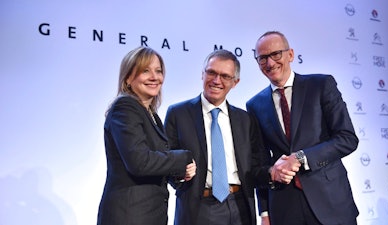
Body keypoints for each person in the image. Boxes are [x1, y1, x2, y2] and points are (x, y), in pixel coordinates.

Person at [246, 31, 359, 225]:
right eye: (263, 58)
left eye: (276, 54)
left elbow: (347, 138)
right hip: (284, 206)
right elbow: (261, 160)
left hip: (330, 202)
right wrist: (264, 212)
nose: (270, 63)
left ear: (290, 54)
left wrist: (301, 158)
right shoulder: (254, 105)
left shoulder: (321, 85)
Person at [164, 49, 269, 225]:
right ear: (202, 74)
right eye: (211, 72)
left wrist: (264, 211)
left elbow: (258, 164)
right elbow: (167, 159)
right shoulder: (178, 113)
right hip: (199, 207)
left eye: (225, 76)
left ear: (235, 82)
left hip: (240, 205)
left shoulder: (246, 119)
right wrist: (180, 176)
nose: (216, 81)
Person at [97, 46, 197, 225]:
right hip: (129, 216)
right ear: (128, 78)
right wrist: (184, 157)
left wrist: (179, 174)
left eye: (158, 71)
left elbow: (155, 163)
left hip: (148, 216)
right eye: (145, 71)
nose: (154, 77)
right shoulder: (125, 108)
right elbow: (140, 162)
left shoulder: (151, 115)